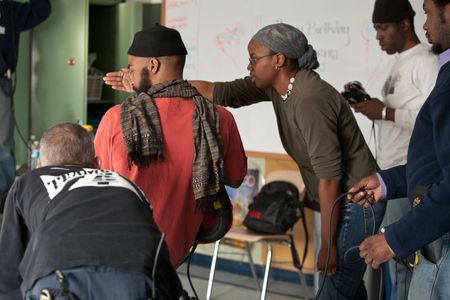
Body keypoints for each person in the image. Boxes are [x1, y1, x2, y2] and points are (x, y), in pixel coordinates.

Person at [188, 23, 384, 299]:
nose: (249, 66)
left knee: (334, 286)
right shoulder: (278, 88)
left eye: (254, 59)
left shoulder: (309, 98)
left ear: (279, 60)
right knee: (347, 288)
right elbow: (222, 93)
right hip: (340, 199)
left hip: (357, 200)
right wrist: (164, 86)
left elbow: (329, 176)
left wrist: (327, 245)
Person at [95, 24, 247, 268]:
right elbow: (235, 177)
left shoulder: (118, 118)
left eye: (132, 68)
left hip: (118, 252)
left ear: (152, 66)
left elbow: (98, 185)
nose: (129, 75)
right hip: (174, 256)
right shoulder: (218, 118)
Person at [0, 123, 183, 300]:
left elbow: (9, 266)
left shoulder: (29, 181)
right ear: (97, 163)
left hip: (57, 273)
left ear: (40, 167)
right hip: (142, 273)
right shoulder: (125, 183)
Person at [348, 0, 450, 299]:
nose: (426, 24)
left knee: (406, 272)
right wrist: (387, 181)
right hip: (413, 185)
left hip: (436, 214)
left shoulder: (431, 65)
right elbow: (437, 154)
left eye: (429, 13)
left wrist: (394, 240)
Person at [0, 0, 51, 210]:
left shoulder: (10, 10)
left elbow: (42, 10)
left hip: (2, 80)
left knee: (3, 141)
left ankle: (4, 196)